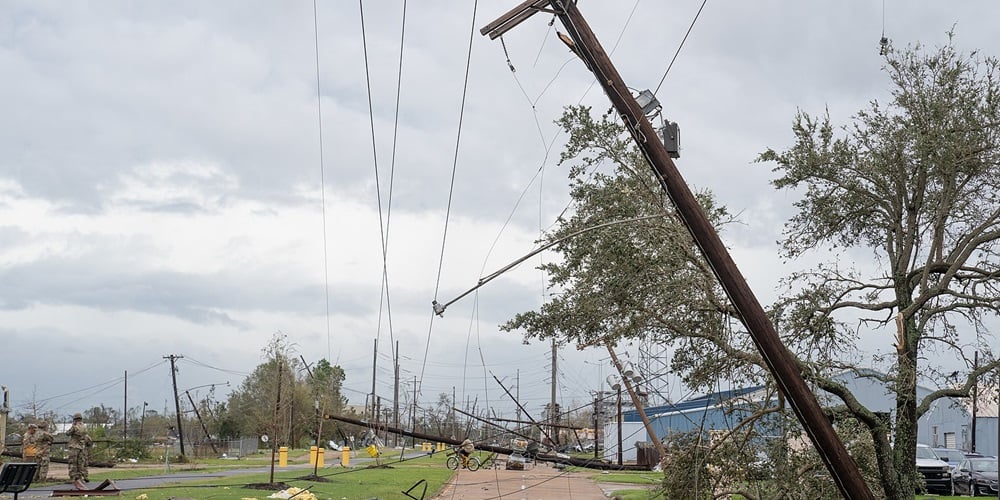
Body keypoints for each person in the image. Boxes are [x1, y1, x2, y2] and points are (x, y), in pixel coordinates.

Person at [67, 413, 92, 490]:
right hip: (81, 447)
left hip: (74, 447)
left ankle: (74, 478)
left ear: (75, 419)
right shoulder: (84, 427)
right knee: (80, 463)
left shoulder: (75, 426)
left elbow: (68, 433)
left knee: (72, 463)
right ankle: (80, 478)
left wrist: (73, 426)